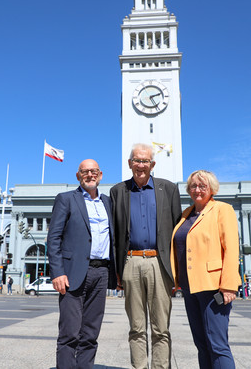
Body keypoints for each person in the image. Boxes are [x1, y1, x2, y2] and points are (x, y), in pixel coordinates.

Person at [110, 143, 181, 369]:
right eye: (137, 160)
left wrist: (176, 271)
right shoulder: (117, 191)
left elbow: (177, 233)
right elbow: (115, 234)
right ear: (130, 163)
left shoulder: (168, 189)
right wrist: (117, 272)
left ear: (153, 164)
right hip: (130, 262)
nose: (141, 165)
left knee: (161, 327)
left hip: (159, 263)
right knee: (136, 327)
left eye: (145, 161)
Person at [47, 159, 116, 369]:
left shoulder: (108, 203)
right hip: (72, 274)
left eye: (94, 171)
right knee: (70, 333)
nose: (90, 175)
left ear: (100, 174)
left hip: (101, 272)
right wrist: (57, 272)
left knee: (91, 333)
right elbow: (54, 238)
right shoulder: (66, 199)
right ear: (78, 176)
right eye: (85, 172)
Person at [171, 170, 241, 368]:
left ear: (212, 188)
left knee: (218, 344)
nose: (197, 189)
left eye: (202, 185)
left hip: (213, 286)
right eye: (193, 186)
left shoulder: (222, 209)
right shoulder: (186, 214)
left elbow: (231, 248)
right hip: (189, 286)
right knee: (201, 344)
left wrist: (228, 285)